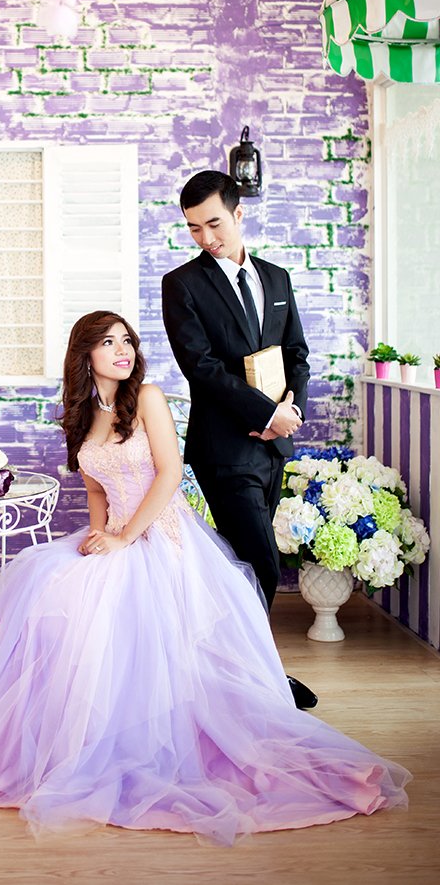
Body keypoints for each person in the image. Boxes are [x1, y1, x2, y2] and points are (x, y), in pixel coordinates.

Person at [0, 311, 409, 845]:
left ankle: (156, 733)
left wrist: (124, 538)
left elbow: (169, 474)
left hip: (162, 535)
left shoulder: (148, 398)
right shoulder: (82, 414)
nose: (123, 351)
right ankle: (60, 735)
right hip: (116, 531)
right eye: (108, 342)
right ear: (85, 355)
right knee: (41, 588)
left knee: (143, 628)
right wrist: (99, 536)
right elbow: (95, 486)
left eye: (127, 341)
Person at [161, 170, 314, 708]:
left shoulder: (277, 278)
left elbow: (296, 354)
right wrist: (265, 413)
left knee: (246, 565)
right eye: (194, 228)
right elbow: (200, 367)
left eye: (214, 224)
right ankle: (263, 680)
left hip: (272, 445)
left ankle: (230, 671)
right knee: (263, 562)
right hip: (224, 447)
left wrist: (288, 411)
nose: (206, 238)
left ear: (238, 212)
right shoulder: (182, 284)